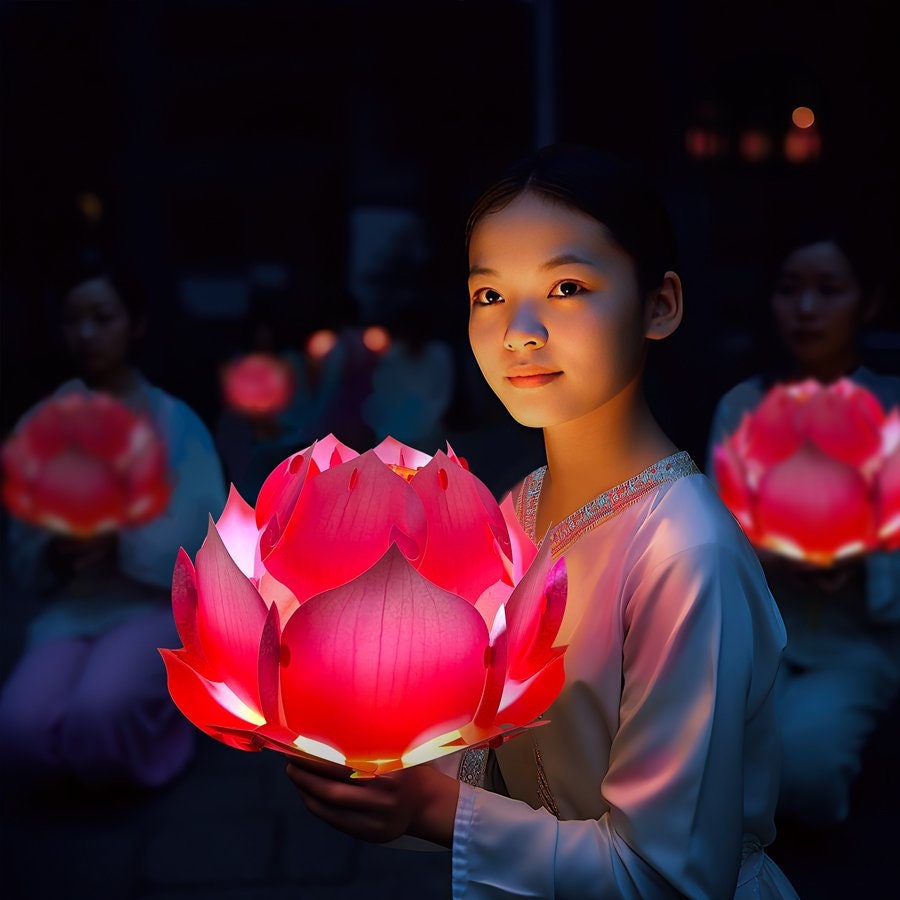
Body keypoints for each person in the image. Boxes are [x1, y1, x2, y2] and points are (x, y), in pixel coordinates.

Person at [285, 144, 799, 899]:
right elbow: (484, 749)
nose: (517, 331)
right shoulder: (510, 508)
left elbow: (670, 876)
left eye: (565, 285)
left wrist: (435, 810)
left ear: (660, 305)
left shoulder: (686, 554)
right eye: (488, 295)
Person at [0, 262, 227, 790]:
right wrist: (53, 555)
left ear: (135, 325)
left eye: (102, 318)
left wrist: (121, 542)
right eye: (74, 320)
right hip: (73, 607)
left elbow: (200, 534)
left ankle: (157, 737)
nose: (86, 334)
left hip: (149, 604)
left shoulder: (174, 421)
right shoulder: (41, 423)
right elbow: (24, 542)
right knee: (19, 728)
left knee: (102, 712)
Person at [705, 221, 900, 828]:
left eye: (829, 289)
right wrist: (782, 555)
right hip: (759, 640)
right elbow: (717, 546)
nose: (807, 308)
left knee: (804, 770)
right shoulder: (741, 407)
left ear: (867, 301)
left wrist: (859, 558)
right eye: (790, 289)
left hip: (856, 644)